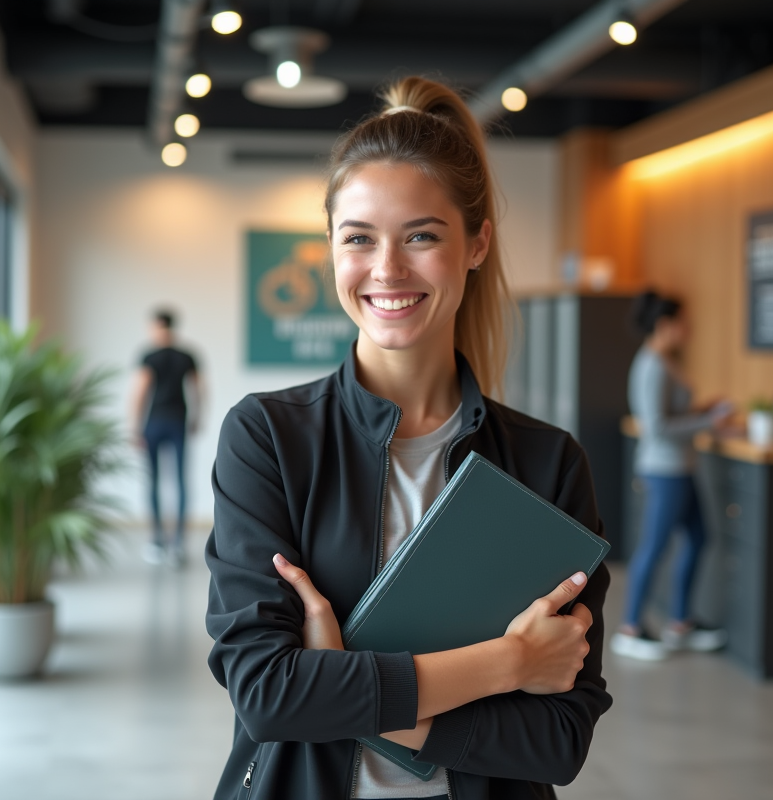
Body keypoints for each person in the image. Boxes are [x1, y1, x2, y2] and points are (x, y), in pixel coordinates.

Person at [204, 77, 611, 800]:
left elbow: (558, 743)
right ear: (331, 247)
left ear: (477, 243)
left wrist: (347, 688)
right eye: (359, 238)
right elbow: (268, 694)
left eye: (422, 236)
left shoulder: (547, 464)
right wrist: (510, 664)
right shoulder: (267, 438)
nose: (387, 270)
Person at [611, 291, 732, 662]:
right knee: (654, 547)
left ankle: (680, 621)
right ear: (665, 325)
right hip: (665, 470)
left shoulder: (666, 361)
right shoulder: (652, 365)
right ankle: (630, 627)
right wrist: (709, 421)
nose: (689, 327)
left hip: (682, 466)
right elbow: (658, 427)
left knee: (699, 538)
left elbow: (673, 412)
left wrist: (702, 409)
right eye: (683, 321)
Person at [130, 309, 202, 567]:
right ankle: (177, 544)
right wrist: (196, 417)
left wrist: (135, 427)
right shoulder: (187, 356)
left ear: (156, 327)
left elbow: (140, 392)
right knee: (179, 480)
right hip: (178, 421)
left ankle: (158, 541)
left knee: (156, 481)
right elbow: (198, 389)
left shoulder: (149, 355)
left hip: (155, 422)